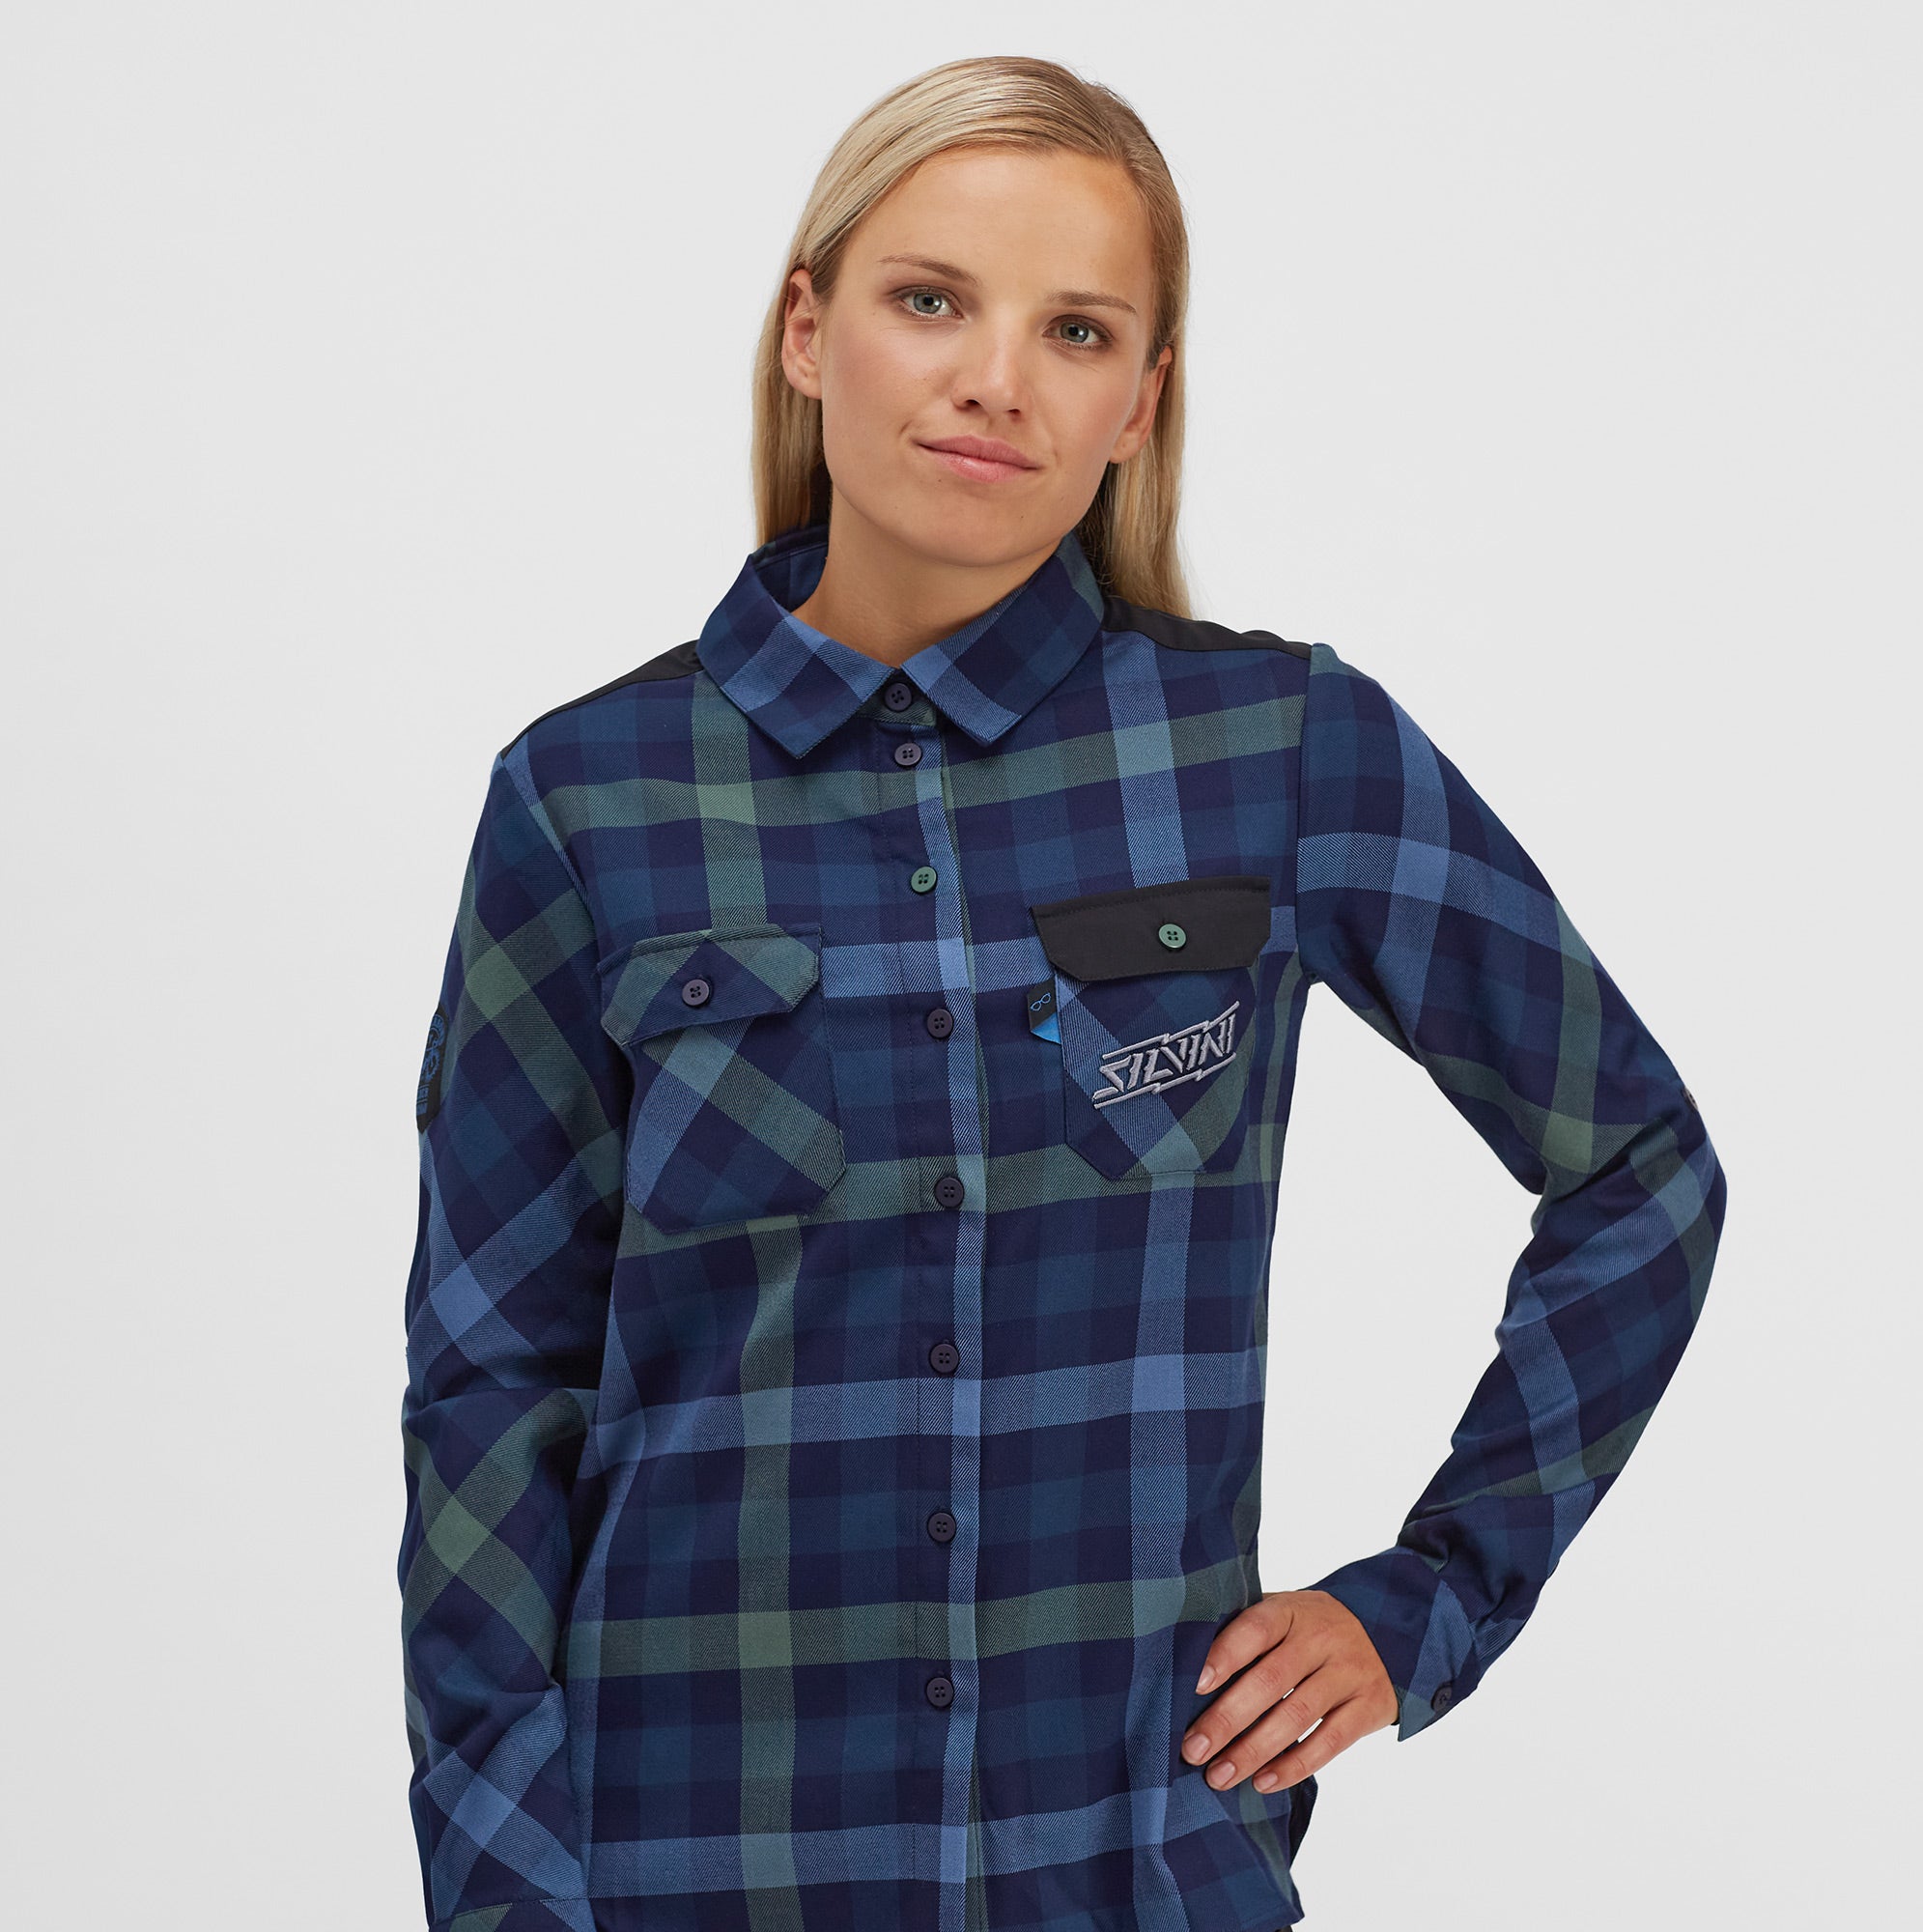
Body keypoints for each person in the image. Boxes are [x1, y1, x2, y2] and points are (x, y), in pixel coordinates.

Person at [396, 52, 1726, 1932]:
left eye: (1077, 330)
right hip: (691, 1868)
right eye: (931, 299)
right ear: (807, 330)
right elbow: (489, 1393)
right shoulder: (588, 799)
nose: (997, 378)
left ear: (1140, 401)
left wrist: (1426, 1600)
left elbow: (1638, 1170)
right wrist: (505, 1894)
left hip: (1137, 1867)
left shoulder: (1280, 750)